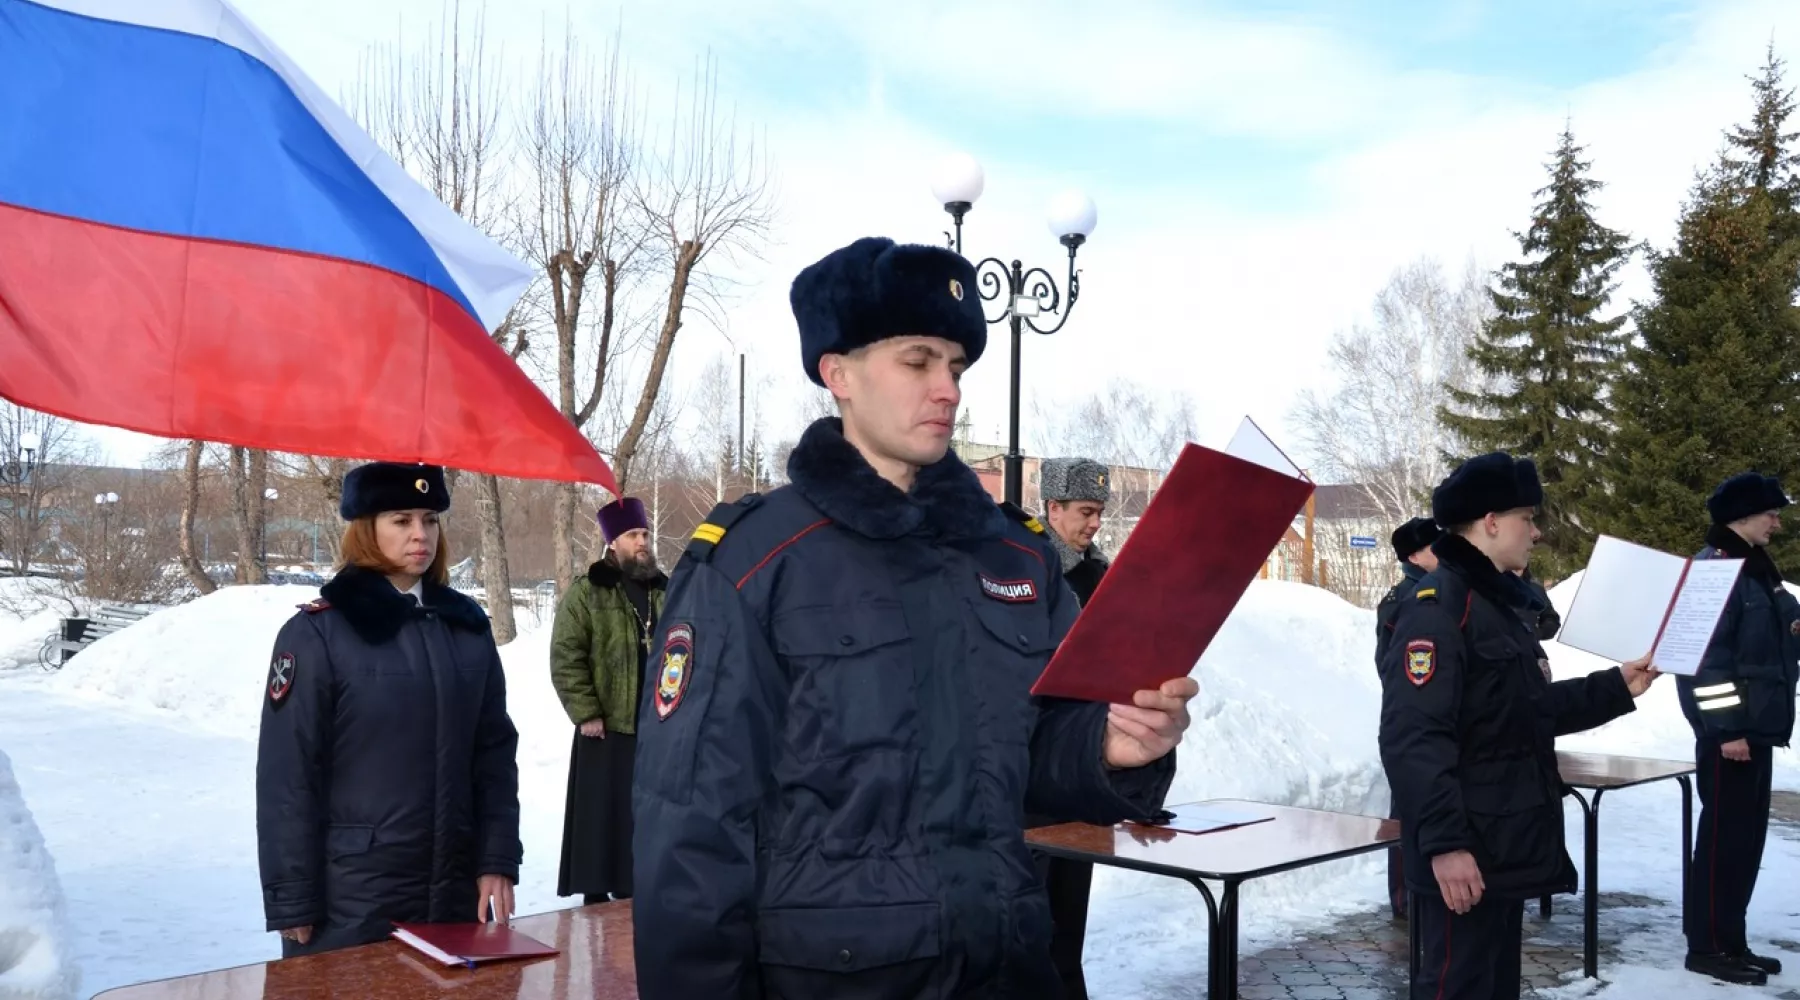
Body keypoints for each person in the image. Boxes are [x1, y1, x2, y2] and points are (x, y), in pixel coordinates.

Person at [631, 236, 1198, 999]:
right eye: (918, 360)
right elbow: (691, 831)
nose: (949, 390)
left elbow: (1040, 754)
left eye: (957, 367)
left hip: (1009, 965)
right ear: (838, 373)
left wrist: (1110, 748)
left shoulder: (1016, 558)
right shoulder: (754, 563)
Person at [1379, 452, 1660, 1000]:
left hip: (1501, 843)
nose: (1534, 531)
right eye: (1526, 518)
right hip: (1467, 849)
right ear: (1490, 521)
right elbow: (1414, 738)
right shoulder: (1439, 608)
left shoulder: (1494, 603)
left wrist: (1616, 686)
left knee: (1495, 984)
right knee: (1454, 986)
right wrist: (1445, 846)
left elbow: (1525, 711)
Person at [255, 462, 521, 958]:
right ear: (366, 529)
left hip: (455, 895)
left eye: (429, 519)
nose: (420, 534)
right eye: (401, 520)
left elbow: (494, 756)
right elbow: (287, 776)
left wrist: (498, 859)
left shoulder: (466, 628)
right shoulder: (317, 634)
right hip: (353, 899)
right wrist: (292, 897)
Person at [1675, 472, 1799, 987]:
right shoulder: (1712, 573)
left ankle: (1732, 938)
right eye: (1771, 512)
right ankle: (1706, 945)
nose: (1777, 521)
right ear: (1743, 515)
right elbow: (1704, 663)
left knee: (1746, 842)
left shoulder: (1756, 571)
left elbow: (1768, 645)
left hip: (1759, 729)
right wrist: (1726, 730)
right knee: (1723, 841)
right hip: (1732, 738)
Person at [1027, 455, 1115, 998]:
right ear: (1053, 508)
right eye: (1086, 510)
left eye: (1100, 512)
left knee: (1069, 916)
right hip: (1033, 768)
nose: (1095, 523)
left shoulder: (1102, 575)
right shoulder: (1027, 571)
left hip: (1084, 762)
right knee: (1031, 918)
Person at [550, 496, 666, 905]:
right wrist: (586, 712)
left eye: (646, 534)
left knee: (641, 823)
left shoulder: (662, 592)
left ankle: (637, 900)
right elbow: (566, 654)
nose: (643, 542)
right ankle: (596, 911)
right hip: (605, 727)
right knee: (602, 824)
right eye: (634, 534)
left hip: (655, 728)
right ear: (612, 542)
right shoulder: (588, 593)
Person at [1374, 514, 1441, 921]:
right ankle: (1405, 901)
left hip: (1433, 722)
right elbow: (1394, 665)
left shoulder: (1438, 592)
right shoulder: (1404, 600)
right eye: (1436, 546)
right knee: (1407, 815)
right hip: (1410, 723)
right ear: (1414, 556)